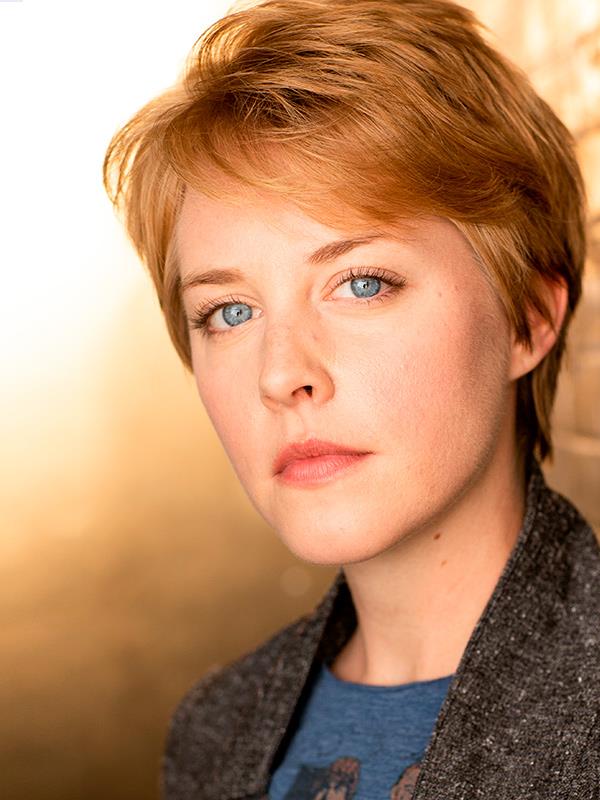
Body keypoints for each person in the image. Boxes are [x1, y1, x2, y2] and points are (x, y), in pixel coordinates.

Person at [102, 1, 600, 797]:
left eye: (361, 283)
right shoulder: (212, 732)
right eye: (229, 311)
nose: (281, 375)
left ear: (529, 318)